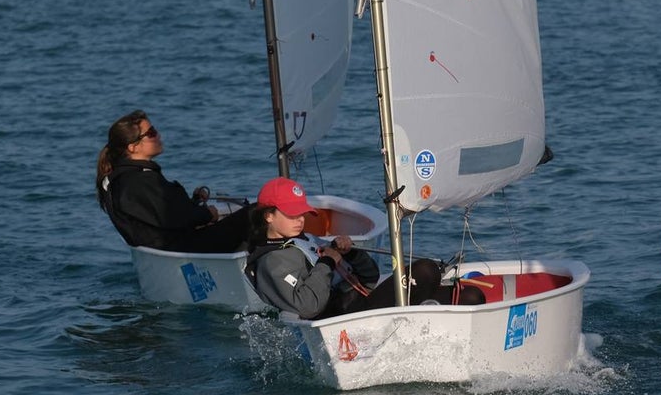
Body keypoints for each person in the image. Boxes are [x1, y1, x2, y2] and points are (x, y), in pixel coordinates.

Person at [246, 177, 485, 320]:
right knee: (425, 271)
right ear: (268, 216)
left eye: (302, 213)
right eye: (291, 214)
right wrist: (327, 263)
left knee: (472, 297)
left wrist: (350, 253)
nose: (299, 219)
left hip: (363, 305)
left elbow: (369, 279)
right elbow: (308, 306)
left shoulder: (305, 240)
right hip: (343, 322)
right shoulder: (272, 261)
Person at [96, 110, 250, 252]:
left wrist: (194, 202)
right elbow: (172, 218)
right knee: (256, 213)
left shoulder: (122, 178)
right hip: (182, 248)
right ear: (133, 147)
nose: (158, 136)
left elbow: (157, 215)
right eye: (151, 133)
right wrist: (207, 214)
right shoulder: (139, 182)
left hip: (168, 246)